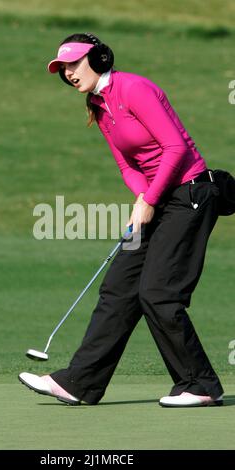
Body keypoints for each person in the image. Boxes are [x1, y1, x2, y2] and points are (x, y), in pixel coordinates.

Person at [19, 32, 224, 407]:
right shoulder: (98, 105)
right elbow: (126, 164)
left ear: (98, 59)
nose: (68, 73)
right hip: (157, 198)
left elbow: (175, 147)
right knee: (119, 288)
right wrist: (142, 198)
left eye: (73, 64)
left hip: (190, 194)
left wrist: (151, 198)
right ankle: (80, 383)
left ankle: (200, 385)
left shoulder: (134, 88)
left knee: (159, 293)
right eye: (62, 68)